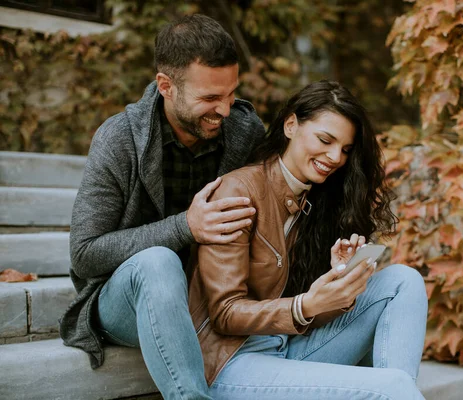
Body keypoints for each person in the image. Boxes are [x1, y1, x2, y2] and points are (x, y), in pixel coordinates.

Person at [59, 14, 265, 400]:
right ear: (166, 86)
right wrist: (185, 227)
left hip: (212, 300)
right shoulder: (118, 140)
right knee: (158, 261)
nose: (224, 110)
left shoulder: (244, 130)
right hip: (126, 300)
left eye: (231, 94)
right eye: (209, 98)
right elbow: (84, 255)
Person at [188, 80, 429, 399]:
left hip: (288, 349)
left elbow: (309, 314)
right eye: (325, 140)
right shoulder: (238, 192)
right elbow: (225, 313)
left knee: (404, 280)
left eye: (345, 149)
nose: (335, 157)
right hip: (233, 364)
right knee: (394, 387)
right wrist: (306, 305)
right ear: (291, 125)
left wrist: (339, 286)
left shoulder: (318, 201)